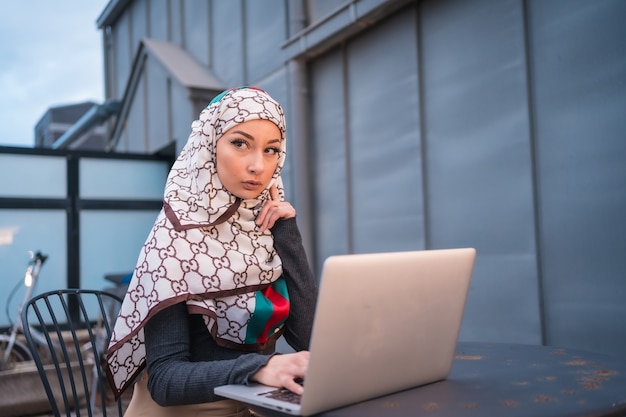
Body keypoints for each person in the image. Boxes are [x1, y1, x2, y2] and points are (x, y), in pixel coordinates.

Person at [105, 87, 318, 417]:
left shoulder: (264, 233)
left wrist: (286, 231)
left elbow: (309, 340)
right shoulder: (173, 242)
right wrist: (259, 368)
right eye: (240, 143)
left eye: (271, 150)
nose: (258, 165)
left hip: (252, 405)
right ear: (208, 147)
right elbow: (165, 382)